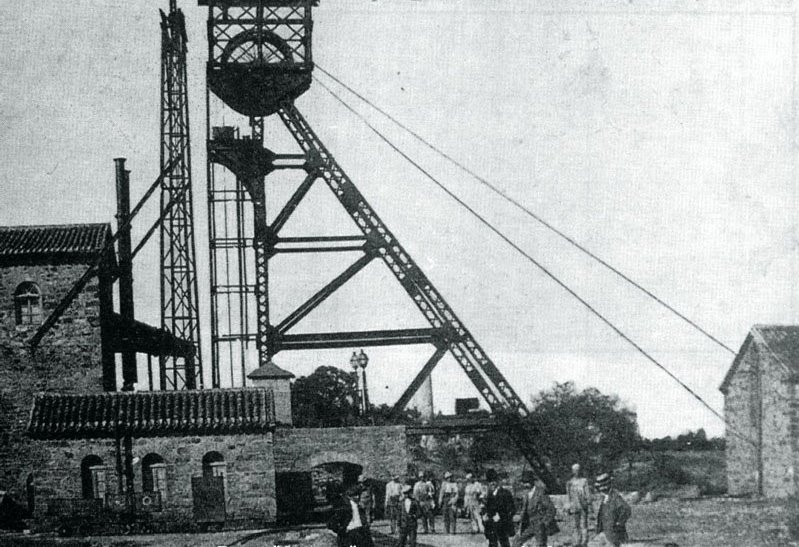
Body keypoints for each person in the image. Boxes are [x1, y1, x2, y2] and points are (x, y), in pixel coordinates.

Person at [515, 473, 557, 547]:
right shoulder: (526, 494)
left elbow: (551, 509)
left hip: (540, 525)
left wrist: (544, 522)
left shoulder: (540, 493)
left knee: (540, 545)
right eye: (524, 483)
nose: (525, 485)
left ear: (532, 482)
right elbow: (524, 511)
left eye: (527, 482)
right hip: (529, 524)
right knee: (517, 542)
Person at [595, 473, 631, 547]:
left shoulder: (615, 496)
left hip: (614, 533)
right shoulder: (605, 498)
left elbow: (626, 509)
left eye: (602, 486)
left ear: (607, 485)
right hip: (605, 532)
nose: (601, 489)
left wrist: (619, 522)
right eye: (600, 487)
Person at [481, 469, 515, 547]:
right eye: (490, 481)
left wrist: (501, 516)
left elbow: (512, 510)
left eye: (494, 480)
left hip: (503, 526)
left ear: (497, 481)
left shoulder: (505, 493)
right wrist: (485, 515)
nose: (492, 483)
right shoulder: (489, 495)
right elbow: (487, 509)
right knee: (492, 544)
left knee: (504, 544)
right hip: (491, 527)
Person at [566, 463, 592, 547]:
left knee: (583, 524)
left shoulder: (584, 481)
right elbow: (568, 496)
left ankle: (584, 541)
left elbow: (587, 493)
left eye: (578, 470)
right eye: (575, 470)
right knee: (575, 525)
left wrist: (588, 502)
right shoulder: (569, 482)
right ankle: (577, 541)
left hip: (582, 505)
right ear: (572, 471)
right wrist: (568, 506)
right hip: (574, 506)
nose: (576, 472)